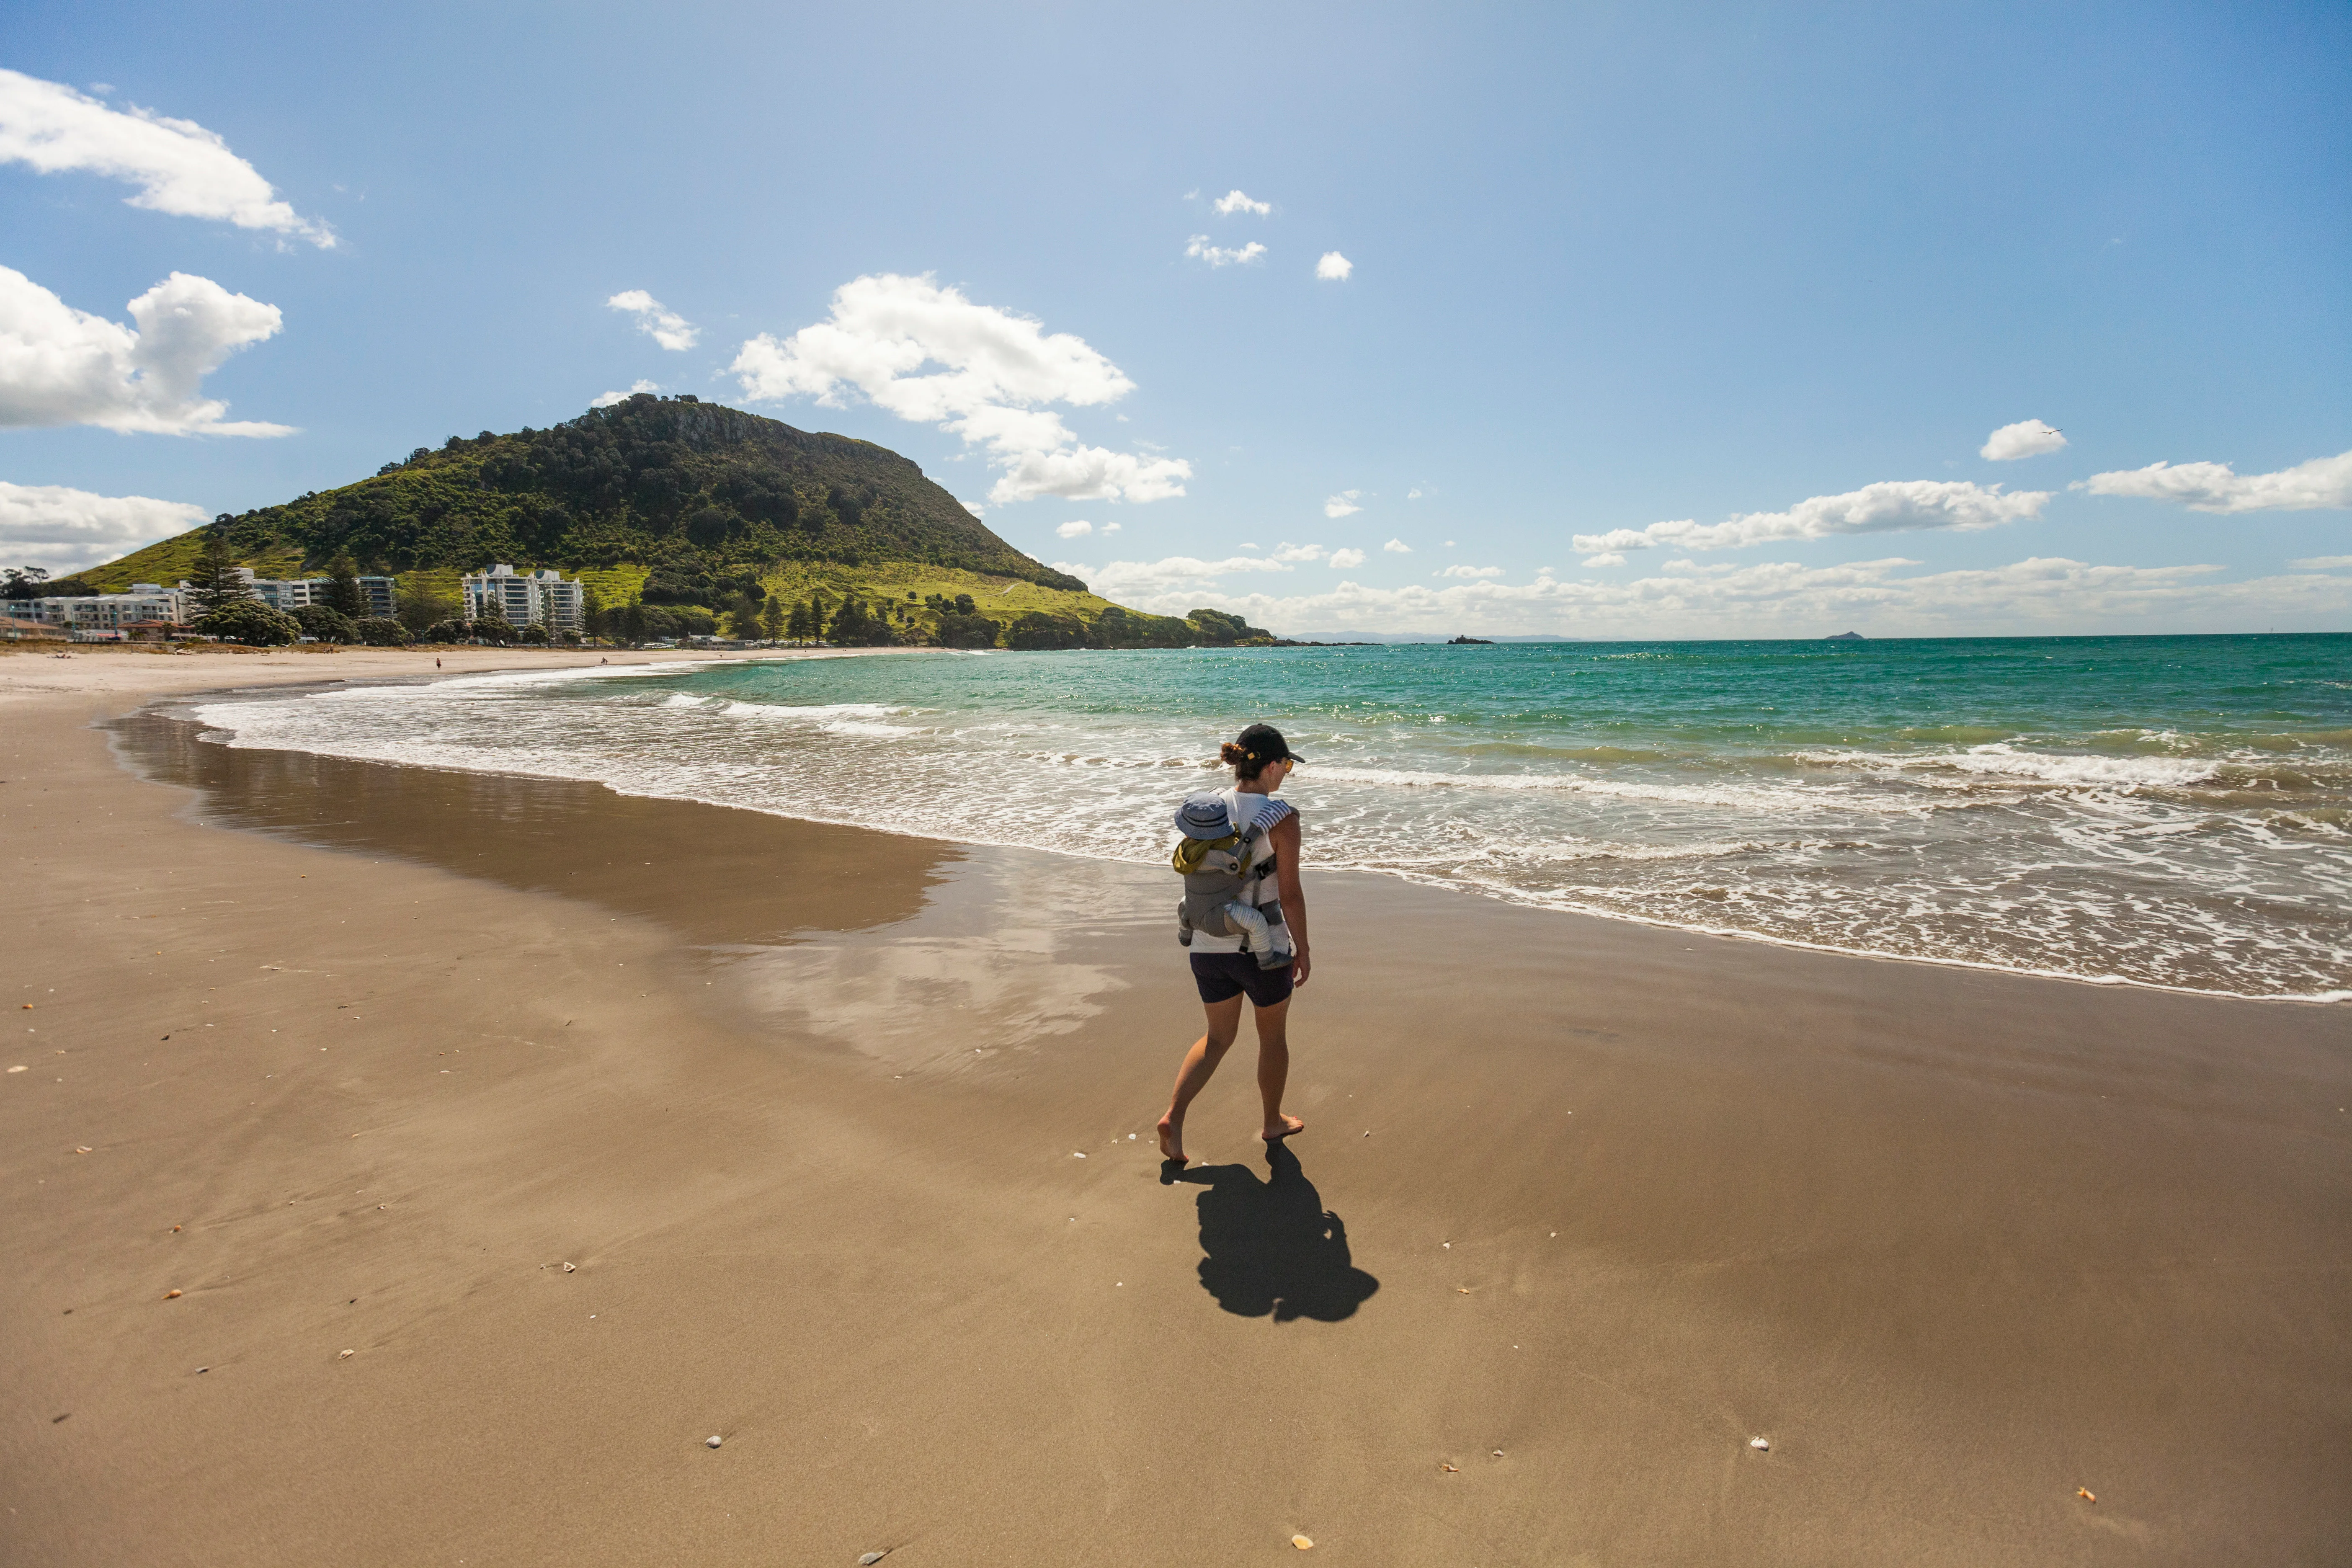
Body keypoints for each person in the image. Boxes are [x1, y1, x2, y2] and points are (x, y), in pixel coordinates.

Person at [1157, 723, 1311, 1164]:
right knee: (1272, 1038)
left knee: (1217, 1038)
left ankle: (1174, 1117)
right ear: (1268, 765)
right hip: (1263, 951)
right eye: (1285, 764)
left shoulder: (1206, 808)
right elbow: (1291, 893)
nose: (1287, 773)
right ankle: (1272, 1122)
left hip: (1208, 945)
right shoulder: (1281, 817)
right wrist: (1303, 948)